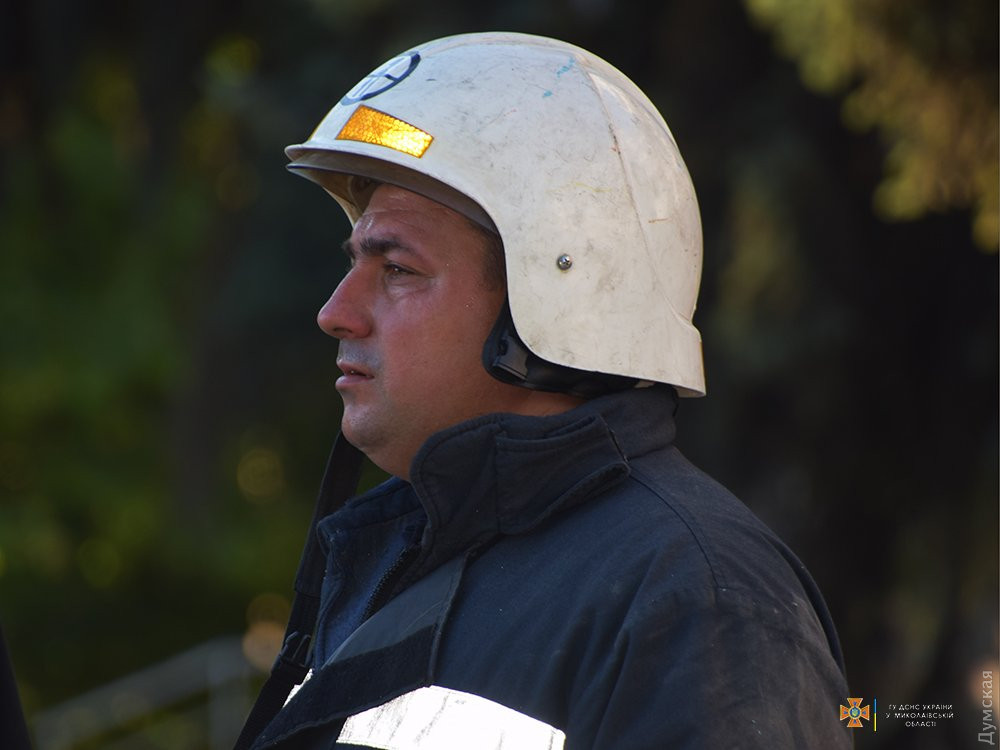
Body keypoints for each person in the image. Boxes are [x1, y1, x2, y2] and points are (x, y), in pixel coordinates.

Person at [237, 32, 852, 749]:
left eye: (396, 269)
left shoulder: (700, 606)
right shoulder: (400, 555)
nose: (335, 312)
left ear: (555, 299)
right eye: (354, 264)